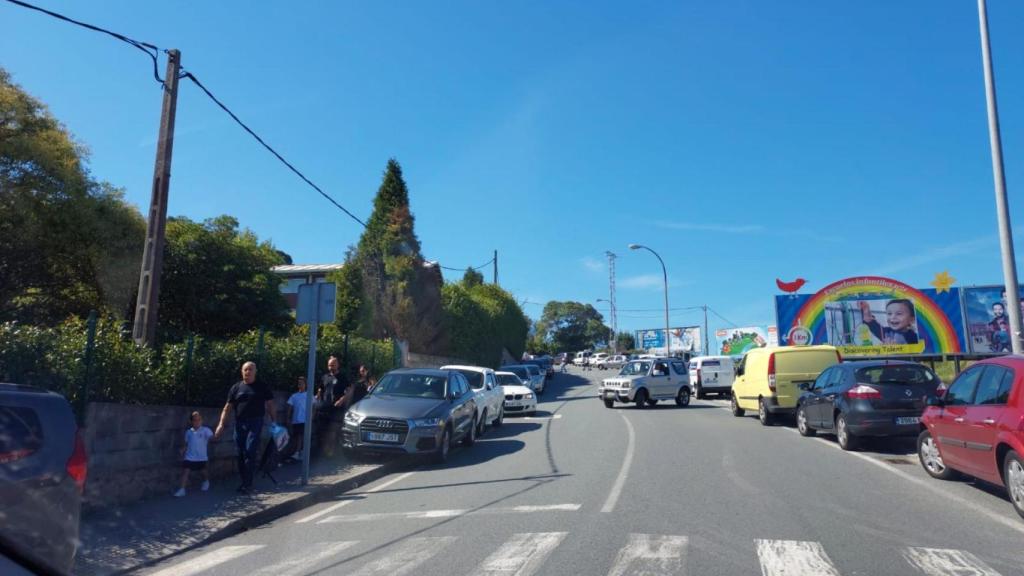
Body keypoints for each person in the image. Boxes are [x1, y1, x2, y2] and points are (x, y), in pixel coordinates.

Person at [214, 361, 276, 494]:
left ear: (255, 372)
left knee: (250, 450)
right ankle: (244, 481)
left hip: (255, 422)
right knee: (241, 453)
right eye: (245, 370)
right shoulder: (236, 388)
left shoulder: (262, 387)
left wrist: (274, 421)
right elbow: (227, 408)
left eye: (250, 369)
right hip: (240, 424)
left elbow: (270, 405)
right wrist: (221, 424)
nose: (247, 372)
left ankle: (248, 483)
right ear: (242, 371)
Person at [175, 411, 212, 497]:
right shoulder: (188, 432)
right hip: (190, 456)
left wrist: (215, 435)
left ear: (201, 420)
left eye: (199, 420)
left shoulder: (206, 430)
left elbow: (212, 437)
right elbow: (186, 444)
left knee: (203, 471)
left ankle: (206, 481)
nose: (197, 422)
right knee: (186, 471)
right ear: (192, 421)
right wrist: (182, 450)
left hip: (201, 457)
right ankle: (182, 489)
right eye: (195, 420)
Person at [285, 376, 310, 462]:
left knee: (300, 436)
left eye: (301, 383)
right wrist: (288, 418)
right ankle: (299, 453)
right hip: (296, 420)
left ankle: (297, 452)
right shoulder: (294, 396)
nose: (300, 384)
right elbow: (289, 407)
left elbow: (314, 406)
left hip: (305, 420)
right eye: (299, 383)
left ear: (305, 384)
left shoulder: (309, 395)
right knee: (296, 436)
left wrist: (312, 417)